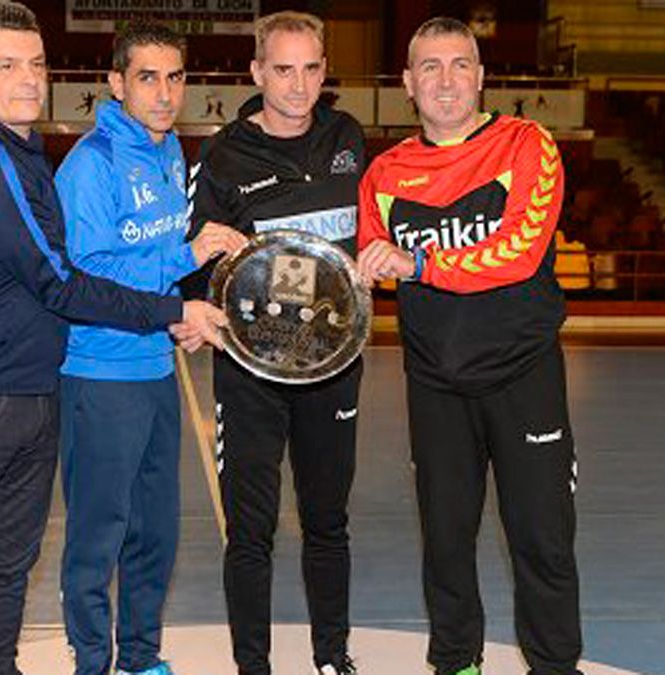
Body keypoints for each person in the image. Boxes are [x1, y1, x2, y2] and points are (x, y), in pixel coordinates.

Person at [0, 2, 226, 674]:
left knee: (6, 569)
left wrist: (170, 307)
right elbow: (63, 283)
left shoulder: (24, 151)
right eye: (6, 64)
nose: (28, 79)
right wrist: (173, 308)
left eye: (36, 64)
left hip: (27, 391)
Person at [355, 17, 582, 675]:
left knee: (542, 538)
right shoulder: (384, 174)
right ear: (407, 83)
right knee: (446, 542)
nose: (446, 79)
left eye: (460, 64)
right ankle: (456, 662)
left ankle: (555, 665)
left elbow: (518, 253)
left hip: (523, 376)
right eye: (430, 66)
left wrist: (419, 263)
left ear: (482, 77)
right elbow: (372, 265)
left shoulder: (525, 144)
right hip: (435, 384)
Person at [53, 21, 248, 675]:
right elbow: (87, 274)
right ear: (115, 82)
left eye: (175, 77)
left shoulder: (169, 155)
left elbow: (153, 266)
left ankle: (140, 657)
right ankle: (91, 662)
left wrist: (179, 317)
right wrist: (187, 255)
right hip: (100, 373)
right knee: (96, 536)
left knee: (154, 534)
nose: (164, 93)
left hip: (155, 369)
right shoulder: (91, 165)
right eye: (147, 77)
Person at [180, 11, 366, 675]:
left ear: (323, 70)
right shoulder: (224, 155)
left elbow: (372, 232)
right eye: (282, 69)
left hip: (333, 368)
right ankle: (252, 664)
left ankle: (330, 656)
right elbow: (193, 260)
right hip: (251, 373)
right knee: (251, 530)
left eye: (311, 67)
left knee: (327, 519)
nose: (297, 84)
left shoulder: (349, 138)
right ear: (257, 72)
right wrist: (201, 287)